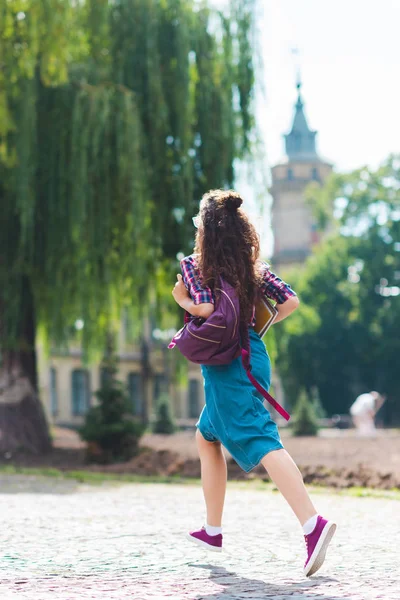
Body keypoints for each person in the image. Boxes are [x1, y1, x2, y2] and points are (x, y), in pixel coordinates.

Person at [171, 189, 336, 577]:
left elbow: (207, 310)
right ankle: (212, 529)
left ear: (205, 231)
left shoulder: (196, 265)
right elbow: (290, 302)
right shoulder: (252, 266)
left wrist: (185, 302)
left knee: (259, 437)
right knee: (206, 434)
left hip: (225, 365)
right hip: (253, 354)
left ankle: (313, 525)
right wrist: (254, 326)